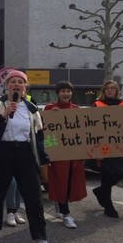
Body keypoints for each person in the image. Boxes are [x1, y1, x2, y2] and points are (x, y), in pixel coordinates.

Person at [0, 70, 63, 243]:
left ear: (25, 87)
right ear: (6, 86)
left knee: (34, 201)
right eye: (13, 82)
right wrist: (4, 115)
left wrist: (43, 159)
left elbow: (40, 137)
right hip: (3, 153)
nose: (17, 85)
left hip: (25, 153)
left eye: (21, 82)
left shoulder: (32, 108)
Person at [44, 81, 87, 228]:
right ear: (58, 93)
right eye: (63, 91)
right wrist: (52, 116)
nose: (66, 93)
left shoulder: (76, 109)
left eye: (68, 91)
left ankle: (61, 204)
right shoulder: (50, 108)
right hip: (58, 154)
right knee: (60, 182)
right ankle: (66, 214)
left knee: (70, 182)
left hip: (73, 154)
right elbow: (45, 132)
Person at [91, 80, 123, 218]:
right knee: (106, 174)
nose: (110, 90)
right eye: (107, 88)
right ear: (103, 91)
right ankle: (108, 207)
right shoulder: (97, 105)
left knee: (120, 172)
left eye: (112, 88)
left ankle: (101, 191)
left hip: (120, 145)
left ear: (117, 90)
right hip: (103, 145)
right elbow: (91, 129)